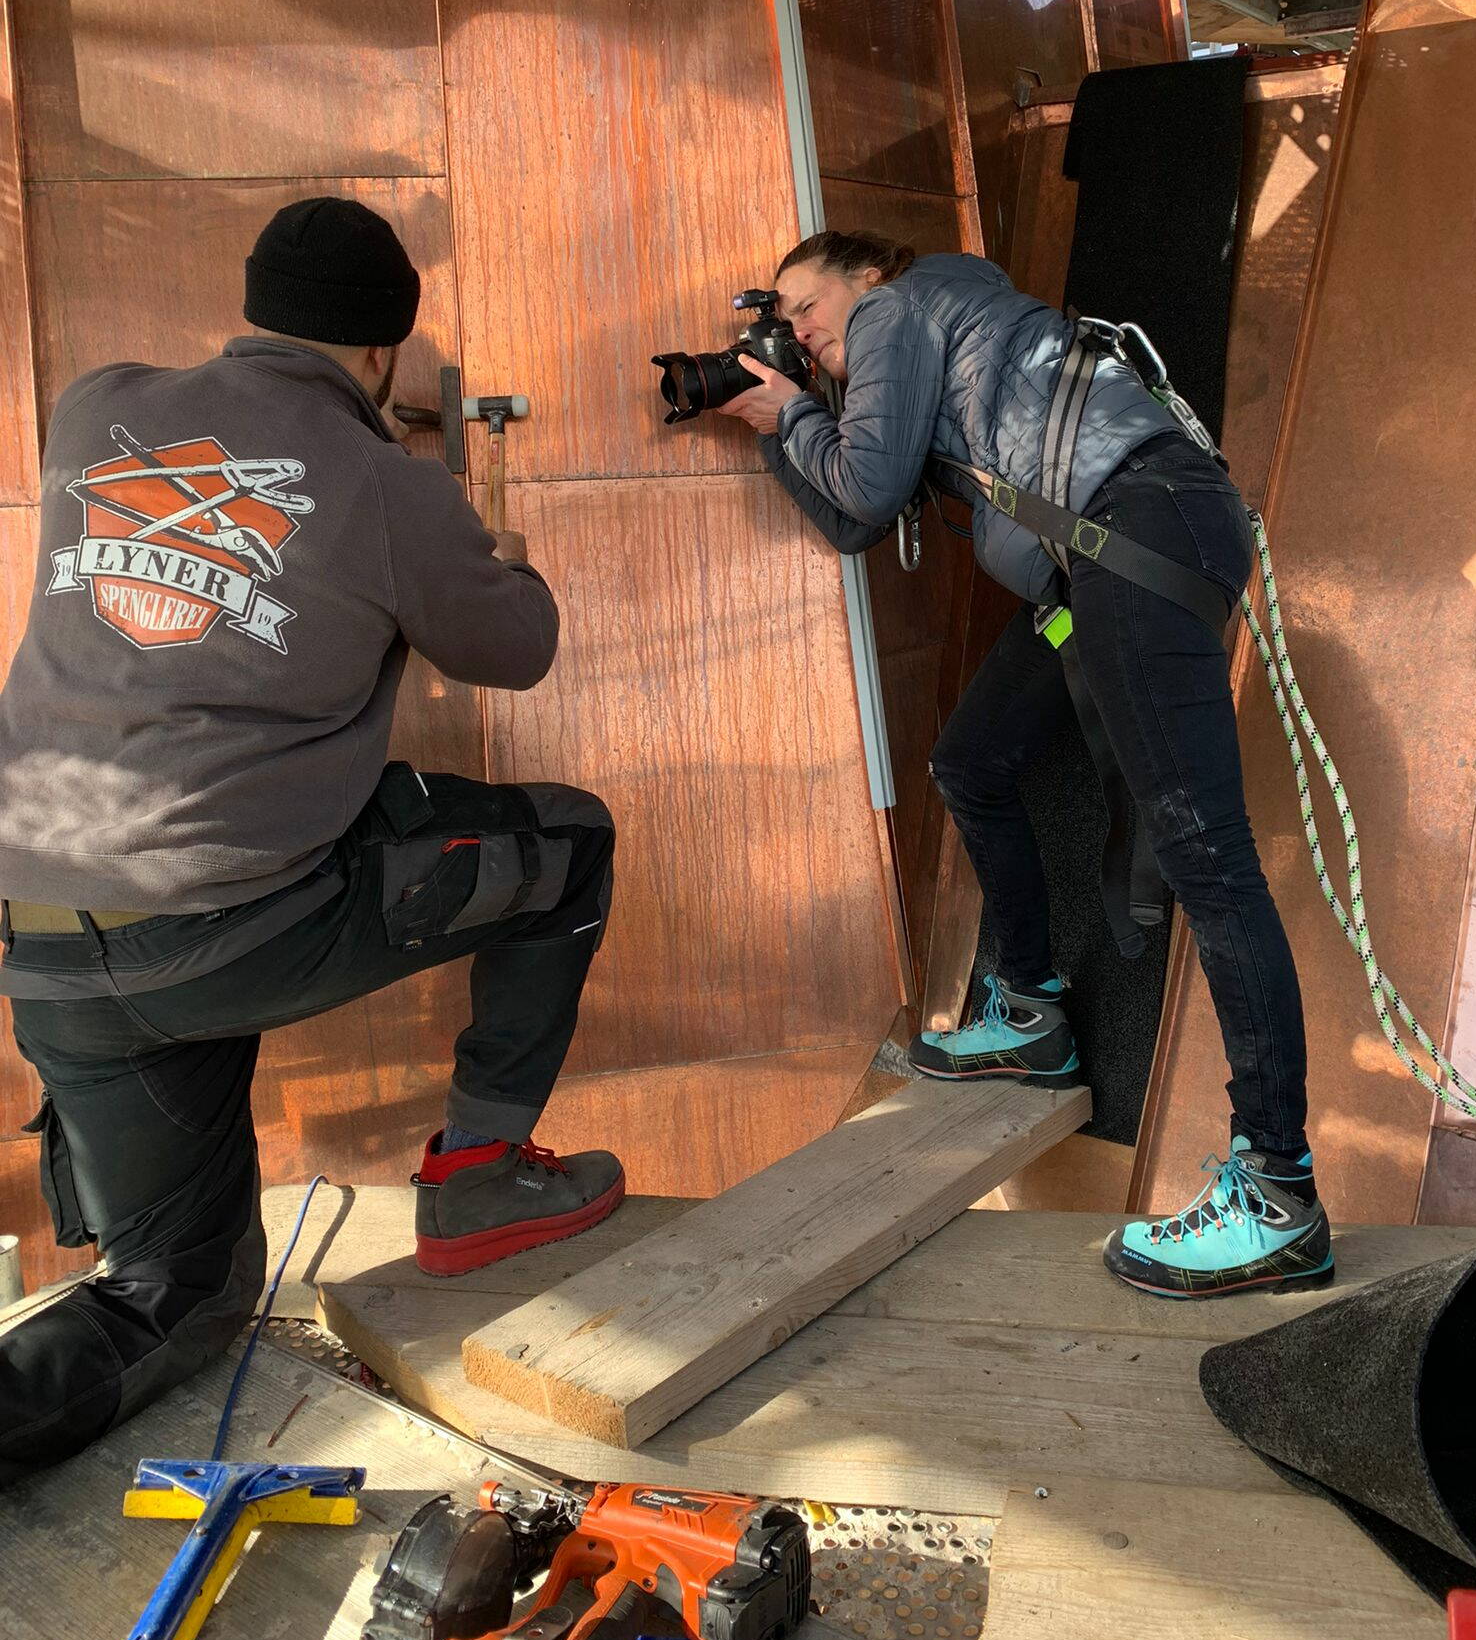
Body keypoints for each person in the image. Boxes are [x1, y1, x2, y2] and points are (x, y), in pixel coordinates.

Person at [0, 197, 622, 1484]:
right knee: (566, 841)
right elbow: (520, 645)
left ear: (254, 306)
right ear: (386, 353)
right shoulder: (389, 485)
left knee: (179, 1291)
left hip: (42, 938)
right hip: (233, 927)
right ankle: (478, 1175)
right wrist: (495, 552)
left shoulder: (91, 408)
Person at [719, 229, 1328, 1302]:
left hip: (1130, 539)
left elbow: (862, 486)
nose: (804, 330)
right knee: (976, 758)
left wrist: (797, 413)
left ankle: (1278, 1193)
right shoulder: (930, 332)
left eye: (803, 304)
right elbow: (853, 523)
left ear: (866, 274)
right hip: (1085, 579)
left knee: (1210, 860)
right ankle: (1032, 1012)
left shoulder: (899, 308)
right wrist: (779, 422)